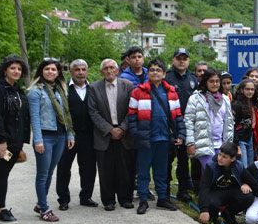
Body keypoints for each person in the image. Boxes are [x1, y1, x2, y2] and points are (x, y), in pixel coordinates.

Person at [128, 58, 186, 214]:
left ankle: (162, 198)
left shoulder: (171, 92)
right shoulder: (138, 91)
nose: (155, 72)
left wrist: (180, 134)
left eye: (158, 70)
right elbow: (132, 116)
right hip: (145, 138)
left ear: (164, 74)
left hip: (164, 138)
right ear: (148, 73)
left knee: (162, 171)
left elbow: (178, 116)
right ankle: (143, 200)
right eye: (152, 70)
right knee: (143, 171)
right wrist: (135, 134)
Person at [0, 55, 30, 224]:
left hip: (14, 143)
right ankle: (1, 211)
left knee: (2, 173)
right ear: (5, 70)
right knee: (1, 174)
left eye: (19, 68)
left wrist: (21, 142)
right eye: (12, 68)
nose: (16, 71)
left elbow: (21, 117)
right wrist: (1, 142)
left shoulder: (17, 89)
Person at [28, 58, 76, 222]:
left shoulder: (61, 90)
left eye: (54, 70)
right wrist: (38, 140)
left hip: (61, 136)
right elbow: (34, 117)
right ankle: (44, 208)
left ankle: (40, 203)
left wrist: (70, 135)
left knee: (50, 172)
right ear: (41, 71)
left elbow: (66, 114)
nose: (50, 72)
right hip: (45, 137)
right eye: (47, 69)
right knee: (42, 174)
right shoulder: (36, 91)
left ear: (58, 73)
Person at [88, 59, 135, 211]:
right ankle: (108, 201)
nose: (109, 71)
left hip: (124, 133)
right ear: (101, 72)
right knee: (106, 170)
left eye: (112, 68)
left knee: (125, 169)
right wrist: (109, 129)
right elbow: (93, 112)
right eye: (106, 68)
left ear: (117, 70)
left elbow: (132, 109)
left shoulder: (127, 85)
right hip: (104, 134)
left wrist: (122, 128)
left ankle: (125, 198)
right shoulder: (94, 88)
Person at [56, 59, 98, 211]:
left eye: (83, 69)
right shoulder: (62, 89)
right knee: (63, 167)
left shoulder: (93, 89)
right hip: (68, 136)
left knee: (88, 168)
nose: (80, 73)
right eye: (77, 69)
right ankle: (63, 199)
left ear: (87, 71)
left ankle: (86, 197)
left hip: (88, 135)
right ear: (71, 72)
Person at [197, 141, 258, 224]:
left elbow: (254, 183)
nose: (220, 158)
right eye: (220, 154)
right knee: (212, 203)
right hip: (215, 193)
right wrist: (204, 210)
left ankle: (228, 213)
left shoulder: (238, 166)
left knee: (248, 197)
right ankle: (212, 217)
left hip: (231, 192)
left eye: (224, 157)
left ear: (233, 158)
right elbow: (204, 188)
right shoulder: (211, 166)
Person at [185, 69, 234, 175]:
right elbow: (188, 122)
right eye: (211, 81)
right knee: (212, 171)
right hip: (203, 143)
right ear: (205, 82)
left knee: (215, 173)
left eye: (217, 81)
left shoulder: (225, 99)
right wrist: (190, 143)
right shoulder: (195, 98)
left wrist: (229, 143)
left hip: (221, 144)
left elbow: (228, 123)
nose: (215, 84)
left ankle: (206, 191)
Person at [164, 47, 197, 202]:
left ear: (188, 61)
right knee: (167, 160)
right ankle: (164, 190)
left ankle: (183, 191)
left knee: (184, 161)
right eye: (179, 58)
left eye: (185, 58)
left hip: (188, 126)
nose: (182, 61)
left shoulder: (193, 79)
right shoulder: (167, 78)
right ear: (173, 60)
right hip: (170, 126)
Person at [232, 79, 257, 168]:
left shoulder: (252, 103)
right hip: (240, 140)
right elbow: (233, 126)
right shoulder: (236, 105)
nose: (250, 92)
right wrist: (237, 145)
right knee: (243, 167)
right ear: (242, 90)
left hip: (249, 138)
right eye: (247, 89)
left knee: (250, 167)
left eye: (252, 89)